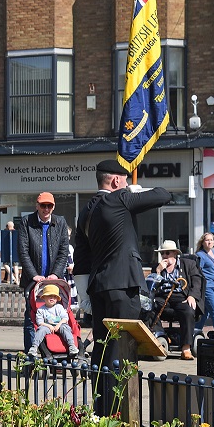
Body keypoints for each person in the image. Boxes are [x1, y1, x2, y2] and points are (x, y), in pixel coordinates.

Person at [73, 159, 171, 372]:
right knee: (121, 351)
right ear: (116, 181)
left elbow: (81, 258)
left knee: (102, 347)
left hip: (98, 288)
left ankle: (102, 403)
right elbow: (163, 194)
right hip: (122, 287)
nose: (126, 184)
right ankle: (120, 404)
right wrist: (135, 191)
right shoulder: (119, 198)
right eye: (125, 181)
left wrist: (83, 295)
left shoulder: (86, 210)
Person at [17, 192, 70, 352]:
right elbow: (23, 251)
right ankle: (31, 358)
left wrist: (55, 274)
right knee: (31, 319)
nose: (46, 209)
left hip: (54, 283)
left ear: (53, 207)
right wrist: (34, 275)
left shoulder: (60, 222)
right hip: (33, 282)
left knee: (56, 319)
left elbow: (63, 251)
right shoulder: (27, 222)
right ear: (37, 206)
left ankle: (54, 354)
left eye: (49, 206)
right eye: (43, 205)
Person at [146, 240, 204, 360]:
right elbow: (151, 287)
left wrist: (192, 296)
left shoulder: (188, 264)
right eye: (162, 254)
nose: (164, 257)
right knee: (150, 307)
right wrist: (158, 272)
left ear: (174, 254)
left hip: (182, 297)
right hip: (163, 297)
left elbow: (197, 283)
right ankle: (161, 338)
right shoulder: (157, 268)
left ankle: (186, 348)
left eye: (167, 253)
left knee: (188, 310)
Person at [28, 283, 78, 358]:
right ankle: (34, 347)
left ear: (57, 299)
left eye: (54, 297)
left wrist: (59, 324)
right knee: (41, 330)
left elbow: (65, 318)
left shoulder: (59, 307)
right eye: (49, 296)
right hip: (47, 326)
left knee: (65, 328)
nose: (52, 298)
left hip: (60, 325)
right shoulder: (41, 310)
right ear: (44, 298)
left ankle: (72, 345)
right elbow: (40, 322)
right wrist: (48, 326)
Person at [194, 232, 214, 335]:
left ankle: (194, 332)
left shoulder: (213, 253)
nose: (210, 242)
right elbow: (197, 271)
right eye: (207, 240)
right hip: (207, 287)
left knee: (205, 313)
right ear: (202, 242)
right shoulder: (200, 255)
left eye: (211, 240)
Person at [64, 226, 79, 311]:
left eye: (69, 236)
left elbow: (73, 260)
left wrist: (73, 266)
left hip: (70, 275)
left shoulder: (70, 247)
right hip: (64, 275)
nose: (68, 238)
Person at [1, 220, 20, 285]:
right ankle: (17, 279)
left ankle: (13, 277)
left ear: (7, 226)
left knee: (5, 264)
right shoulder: (17, 233)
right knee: (16, 265)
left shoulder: (5, 233)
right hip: (16, 251)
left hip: (7, 252)